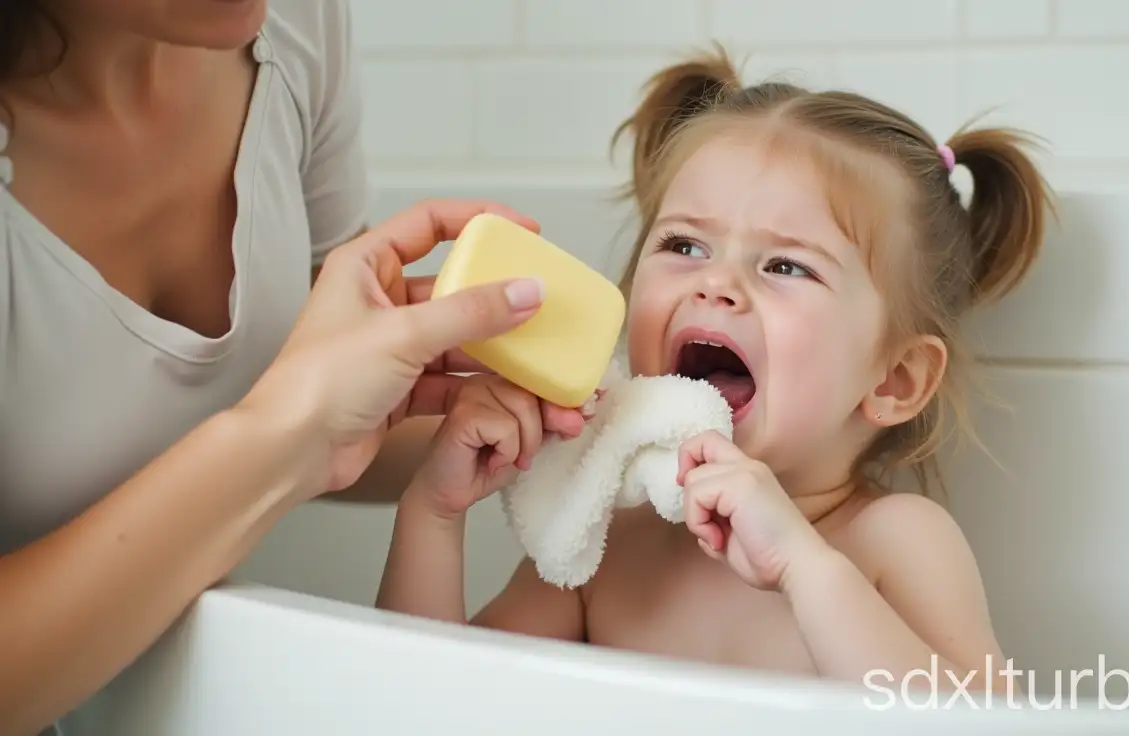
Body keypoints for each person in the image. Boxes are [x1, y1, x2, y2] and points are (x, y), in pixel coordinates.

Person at [376, 44, 1055, 688]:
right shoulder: (606, 542)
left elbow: (979, 720)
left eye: (786, 265)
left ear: (894, 379)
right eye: (685, 245)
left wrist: (800, 564)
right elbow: (439, 706)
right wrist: (433, 513)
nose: (716, 284)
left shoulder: (893, 542)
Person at [0, 1, 582, 733]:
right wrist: (279, 430)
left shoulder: (293, 26)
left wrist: (577, 427)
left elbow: (343, 413)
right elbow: (302, 422)